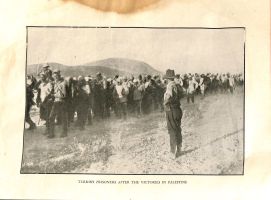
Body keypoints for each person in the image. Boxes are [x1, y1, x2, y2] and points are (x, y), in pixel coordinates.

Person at [163, 69, 183, 158]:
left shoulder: (169, 86)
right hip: (178, 109)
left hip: (171, 110)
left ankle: (172, 152)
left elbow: (168, 97)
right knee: (178, 129)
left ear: (167, 78)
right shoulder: (177, 85)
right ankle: (179, 149)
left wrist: (164, 103)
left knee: (172, 130)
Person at [47, 70, 68, 138]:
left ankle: (64, 133)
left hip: (62, 102)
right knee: (51, 117)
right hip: (56, 102)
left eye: (56, 76)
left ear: (59, 76)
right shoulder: (55, 83)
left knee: (63, 118)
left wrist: (55, 95)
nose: (55, 77)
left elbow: (64, 95)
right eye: (54, 76)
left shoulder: (63, 83)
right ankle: (51, 134)